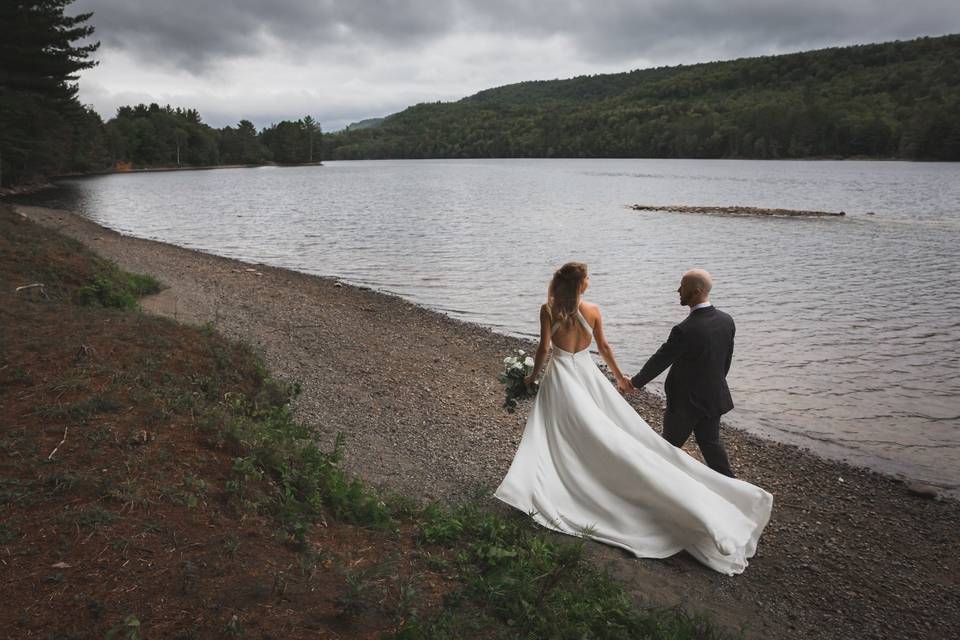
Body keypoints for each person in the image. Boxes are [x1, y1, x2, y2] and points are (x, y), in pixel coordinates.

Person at [494, 262, 772, 575]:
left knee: (555, 432)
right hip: (589, 376)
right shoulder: (595, 310)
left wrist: (533, 377)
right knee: (614, 431)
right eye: (587, 279)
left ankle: (554, 480)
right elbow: (604, 347)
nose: (589, 282)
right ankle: (720, 491)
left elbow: (544, 347)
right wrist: (620, 379)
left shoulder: (548, 310)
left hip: (560, 378)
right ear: (580, 285)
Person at [626, 269, 737, 477]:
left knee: (666, 450)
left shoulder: (685, 329)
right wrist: (714, 384)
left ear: (695, 291)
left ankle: (654, 488)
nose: (678, 290)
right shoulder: (726, 320)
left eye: (682, 286)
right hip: (713, 398)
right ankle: (737, 492)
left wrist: (634, 382)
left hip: (686, 405)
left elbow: (661, 360)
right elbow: (725, 362)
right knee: (712, 447)